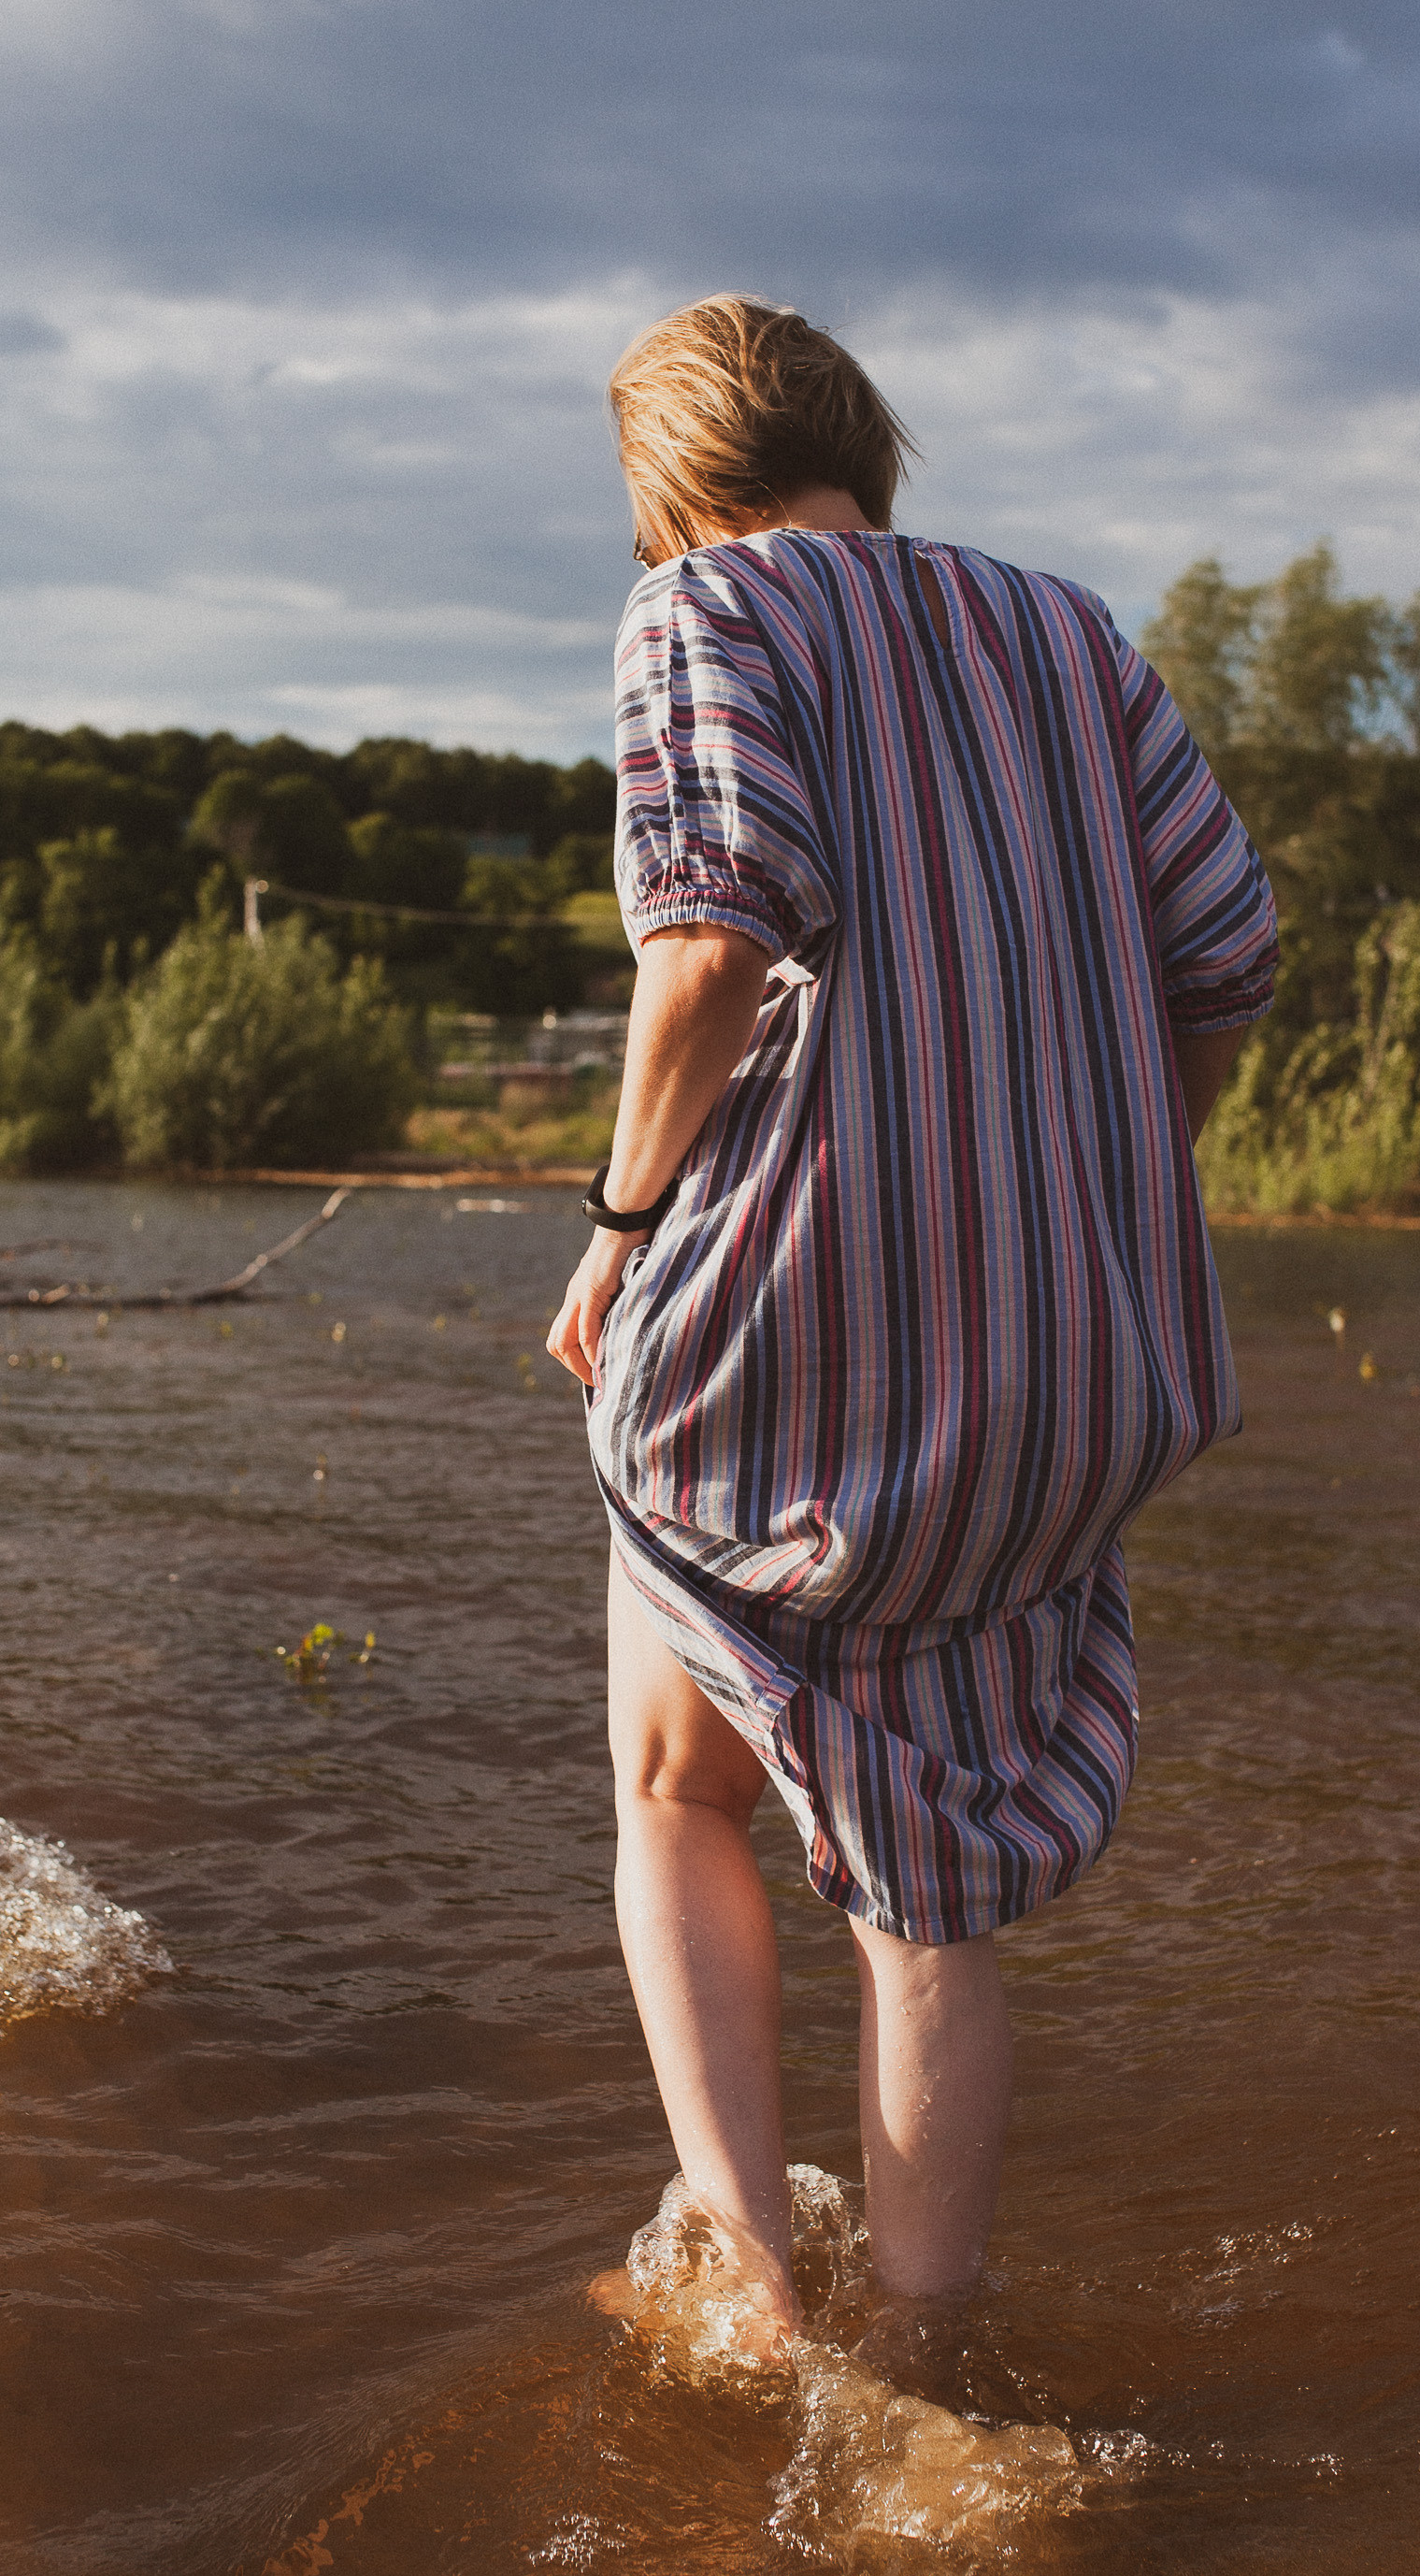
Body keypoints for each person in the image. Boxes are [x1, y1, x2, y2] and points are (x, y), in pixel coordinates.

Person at [546, 295, 1277, 2348]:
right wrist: (1112, 1182)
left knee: (680, 1791)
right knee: (926, 1891)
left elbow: (706, 946)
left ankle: (759, 2295)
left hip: (790, 1335)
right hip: (1063, 1370)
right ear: (864, 441)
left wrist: (614, 1224)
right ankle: (933, 2353)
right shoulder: (1062, 630)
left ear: (675, 482)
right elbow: (1225, 954)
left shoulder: (710, 606)